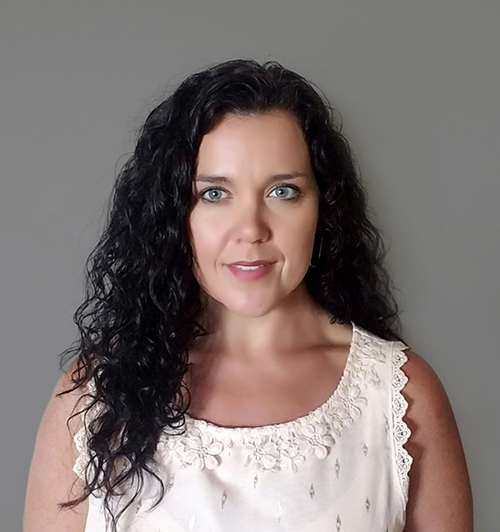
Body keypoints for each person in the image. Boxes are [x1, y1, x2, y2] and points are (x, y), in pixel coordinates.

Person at [24, 59, 473, 532]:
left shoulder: (401, 395)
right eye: (214, 194)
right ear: (174, 214)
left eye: (283, 191)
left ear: (323, 207)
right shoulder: (97, 393)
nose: (251, 229)